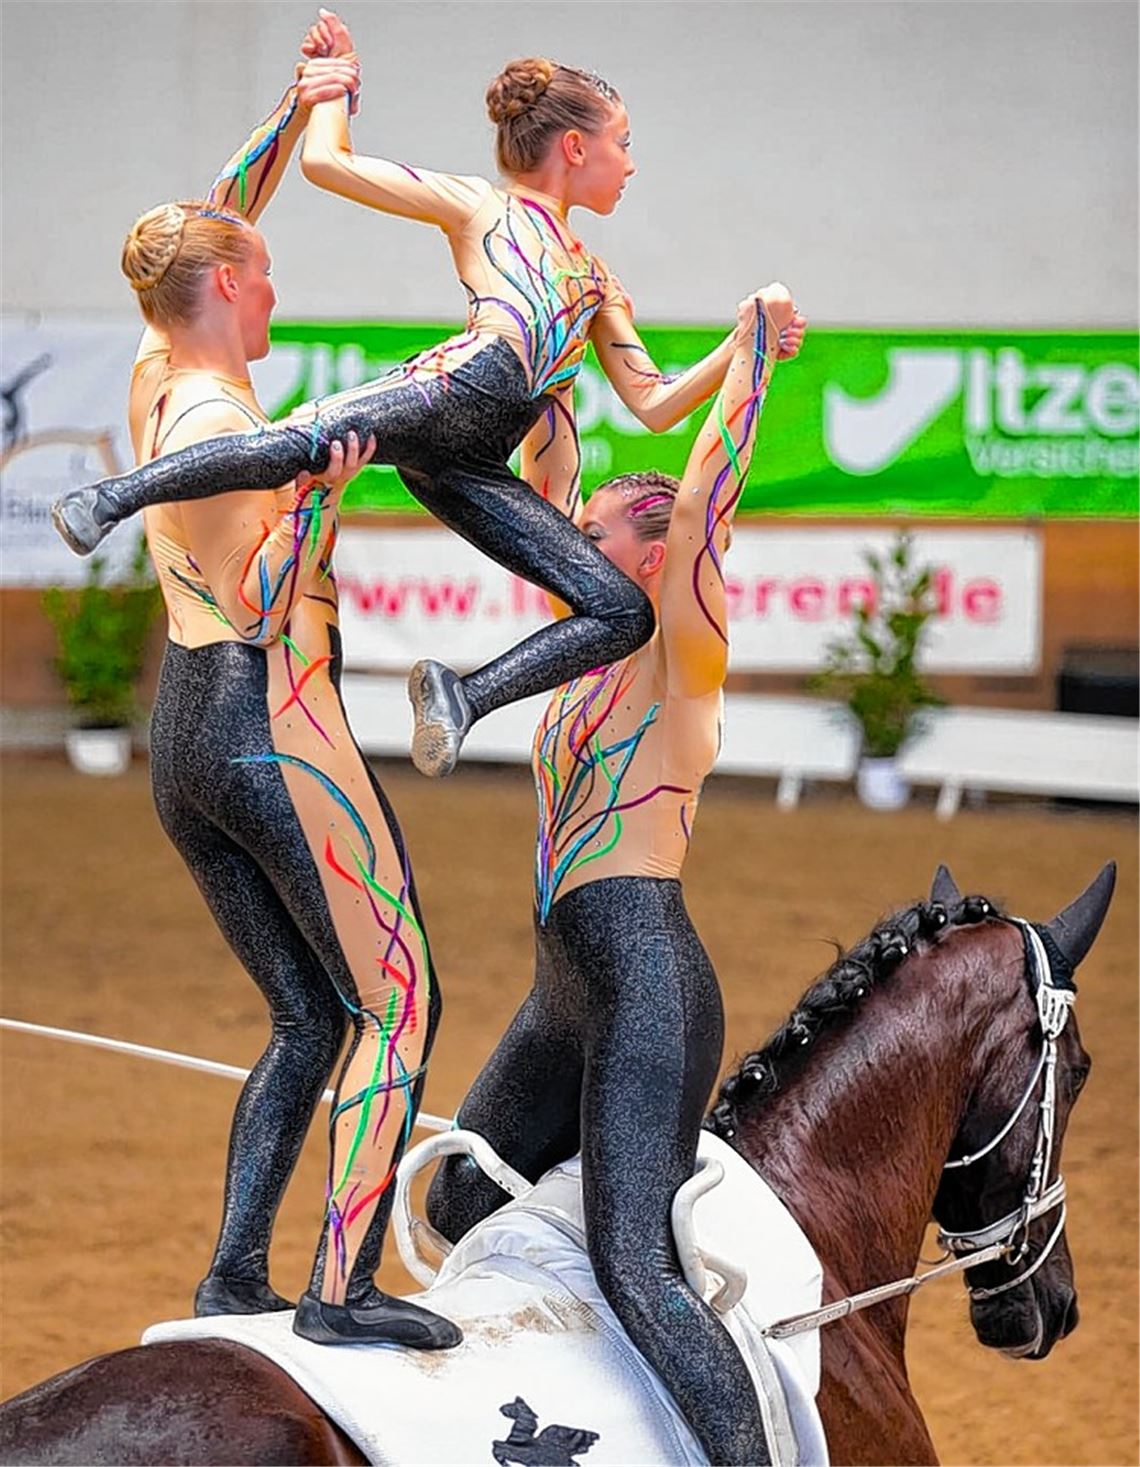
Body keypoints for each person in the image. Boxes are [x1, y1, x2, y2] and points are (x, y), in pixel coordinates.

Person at [53, 11, 805, 781]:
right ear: (576, 148)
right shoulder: (482, 206)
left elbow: (653, 401)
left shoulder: (598, 281)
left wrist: (744, 341)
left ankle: (462, 697)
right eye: (624, 143)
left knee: (621, 610)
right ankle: (111, 498)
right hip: (453, 388)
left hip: (474, 459)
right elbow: (329, 164)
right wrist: (334, 88)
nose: (631, 164)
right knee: (293, 445)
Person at [425, 287, 799, 1466]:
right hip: (564, 991)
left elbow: (704, 500)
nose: (573, 548)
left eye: (596, 538)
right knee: (460, 1200)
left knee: (635, 1265)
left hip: (646, 980)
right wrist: (545, 342)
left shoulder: (682, 654)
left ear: (653, 552)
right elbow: (545, 474)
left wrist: (750, 354)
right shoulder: (592, 647)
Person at [123, 37, 459, 1349]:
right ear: (222, 286)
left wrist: (301, 103)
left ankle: (231, 1275)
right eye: (261, 274)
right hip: (270, 722)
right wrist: (320, 496)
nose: (274, 288)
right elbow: (263, 599)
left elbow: (218, 213)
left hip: (186, 735)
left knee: (310, 1012)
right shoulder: (222, 428)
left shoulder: (161, 367)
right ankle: (340, 1286)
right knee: (399, 1001)